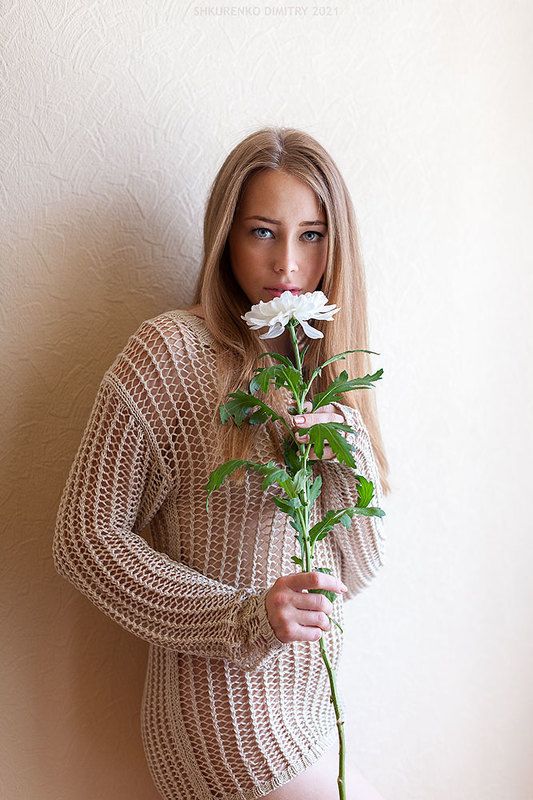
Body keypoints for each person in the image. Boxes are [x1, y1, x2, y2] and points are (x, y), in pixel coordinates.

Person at [53, 126, 390, 800]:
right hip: (223, 709)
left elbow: (354, 574)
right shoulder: (171, 351)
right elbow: (84, 539)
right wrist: (240, 617)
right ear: (225, 236)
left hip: (309, 706)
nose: (287, 264)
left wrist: (348, 464)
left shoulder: (326, 369)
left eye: (311, 234)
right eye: (262, 232)